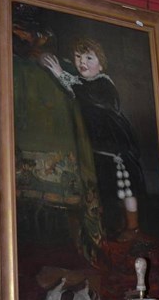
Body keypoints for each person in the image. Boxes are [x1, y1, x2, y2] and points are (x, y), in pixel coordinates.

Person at [42, 37, 145, 241]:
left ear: (101, 64)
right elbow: (76, 90)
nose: (83, 62)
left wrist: (62, 75)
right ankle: (117, 225)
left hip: (117, 148)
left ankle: (133, 227)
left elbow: (90, 97)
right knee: (108, 189)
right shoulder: (82, 83)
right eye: (78, 57)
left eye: (89, 57)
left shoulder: (103, 84)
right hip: (99, 149)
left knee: (126, 190)